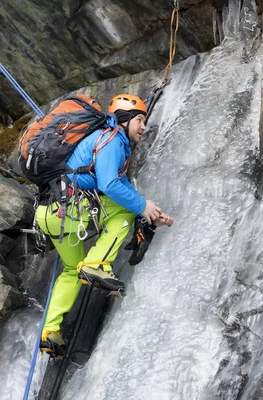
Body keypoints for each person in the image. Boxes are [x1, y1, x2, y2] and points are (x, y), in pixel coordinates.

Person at [35, 94, 174, 355]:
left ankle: (49, 332)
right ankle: (98, 263)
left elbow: (117, 186)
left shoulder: (102, 140)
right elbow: (109, 184)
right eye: (140, 120)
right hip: (69, 207)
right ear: (124, 120)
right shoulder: (112, 140)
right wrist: (143, 207)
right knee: (126, 211)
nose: (143, 127)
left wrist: (150, 210)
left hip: (48, 212)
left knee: (70, 271)